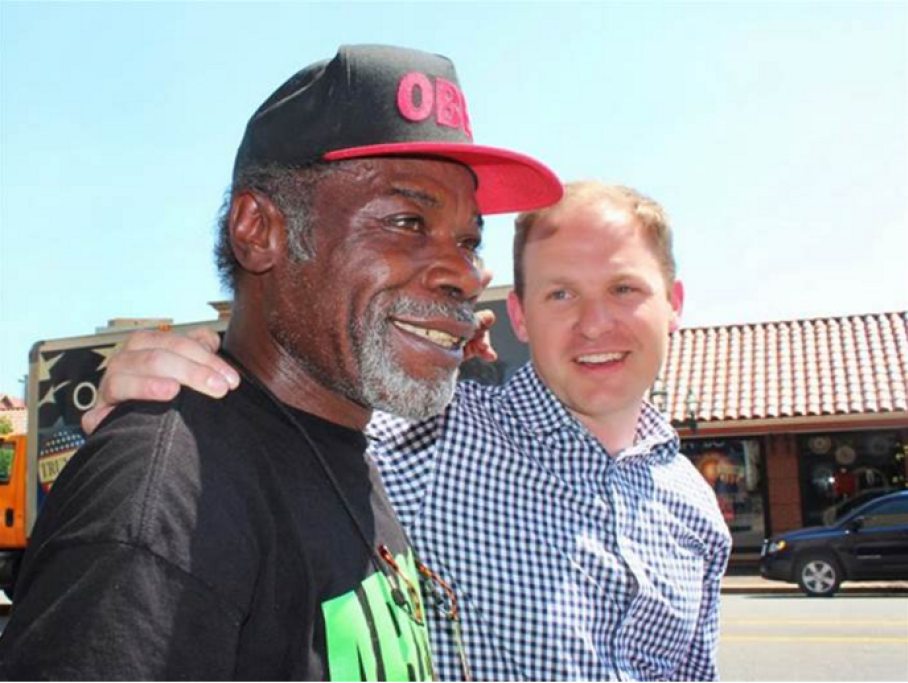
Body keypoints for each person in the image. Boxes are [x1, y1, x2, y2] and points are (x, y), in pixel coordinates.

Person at [0, 44, 562, 680]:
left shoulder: (346, 451)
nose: (465, 271)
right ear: (258, 230)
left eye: (468, 240)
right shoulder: (167, 495)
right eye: (409, 221)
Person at [81, 182, 733, 680]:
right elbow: (276, 424)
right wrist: (173, 393)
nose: (594, 324)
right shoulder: (431, 442)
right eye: (561, 294)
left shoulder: (697, 509)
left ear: (673, 304)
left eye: (624, 289)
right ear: (519, 315)